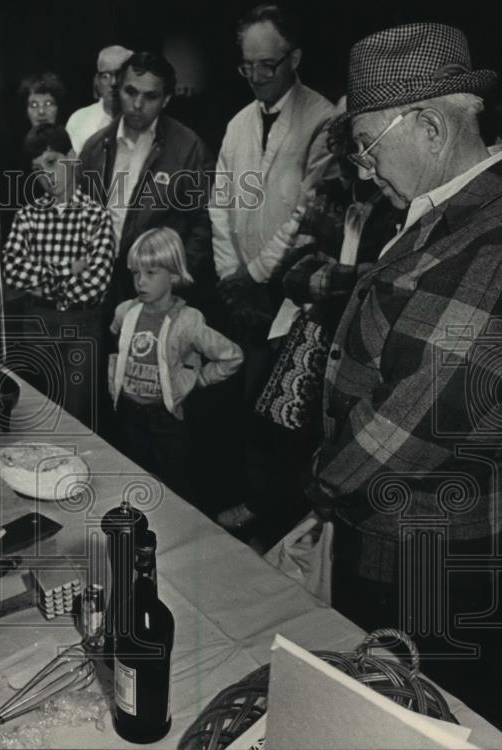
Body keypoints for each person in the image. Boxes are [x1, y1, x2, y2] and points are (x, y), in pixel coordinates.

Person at [308, 22, 502, 730]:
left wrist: (311, 494)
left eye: (368, 144)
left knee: (420, 721)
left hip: (436, 564)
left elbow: (406, 423)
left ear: (428, 127)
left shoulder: (497, 238)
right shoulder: (448, 213)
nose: (364, 166)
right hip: (403, 539)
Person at [209, 4, 338, 533]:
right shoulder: (238, 123)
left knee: (287, 413)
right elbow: (220, 205)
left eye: (269, 64)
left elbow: (307, 216)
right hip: (240, 290)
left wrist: (254, 276)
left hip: (290, 295)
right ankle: (257, 503)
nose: (258, 77)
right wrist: (227, 275)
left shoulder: (324, 118)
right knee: (247, 405)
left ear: (295, 58)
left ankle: (281, 517)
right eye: (248, 66)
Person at [109, 228, 242, 499]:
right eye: (136, 273)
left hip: (166, 420)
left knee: (173, 485)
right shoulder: (125, 312)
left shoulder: (188, 321)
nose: (140, 282)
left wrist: (199, 378)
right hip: (130, 414)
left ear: (173, 274)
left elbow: (232, 356)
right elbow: (117, 343)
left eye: (151, 273)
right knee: (136, 479)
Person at [79, 51, 215, 316]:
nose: (138, 104)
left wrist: (177, 280)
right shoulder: (95, 147)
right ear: (118, 90)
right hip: (102, 285)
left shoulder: (189, 149)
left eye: (150, 96)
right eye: (131, 92)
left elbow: (203, 223)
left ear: (166, 100)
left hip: (160, 288)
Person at [2, 123, 115, 427]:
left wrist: (41, 281)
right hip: (38, 327)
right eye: (37, 169)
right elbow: (13, 271)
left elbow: (96, 283)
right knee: (37, 416)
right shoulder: (27, 216)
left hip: (81, 328)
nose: (46, 175)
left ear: (72, 157)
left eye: (51, 163)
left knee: (74, 421)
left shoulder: (96, 216)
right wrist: (67, 270)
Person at [65, 44, 133, 155]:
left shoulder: (140, 120)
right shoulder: (78, 120)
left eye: (120, 74)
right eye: (106, 76)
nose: (113, 83)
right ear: (97, 81)